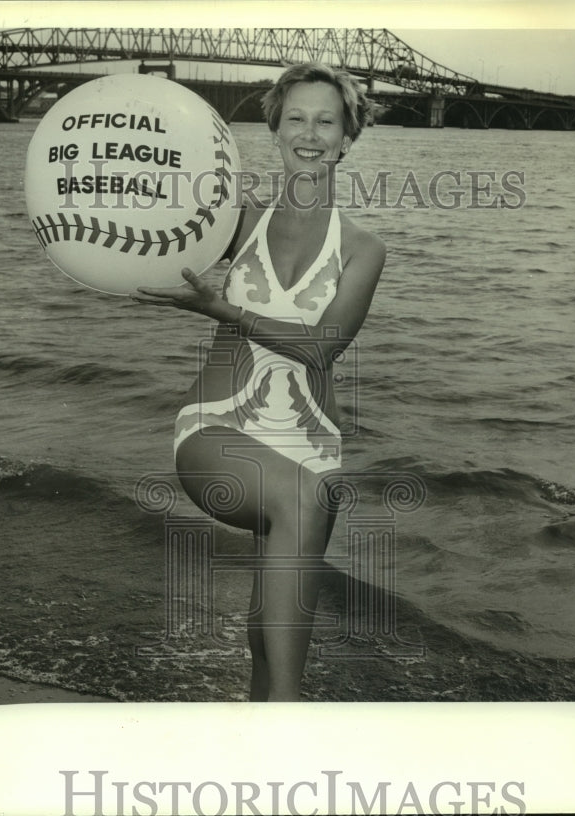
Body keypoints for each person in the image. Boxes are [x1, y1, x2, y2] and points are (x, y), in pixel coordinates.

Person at [132, 63, 386, 701]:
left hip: (308, 448)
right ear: (273, 129)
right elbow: (151, 225)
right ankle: (291, 717)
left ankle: (263, 731)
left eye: (326, 121)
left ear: (347, 138)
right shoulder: (234, 221)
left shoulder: (363, 248)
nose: (310, 132)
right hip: (217, 426)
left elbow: (323, 349)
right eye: (295, 117)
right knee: (303, 502)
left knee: (267, 632)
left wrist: (227, 311)